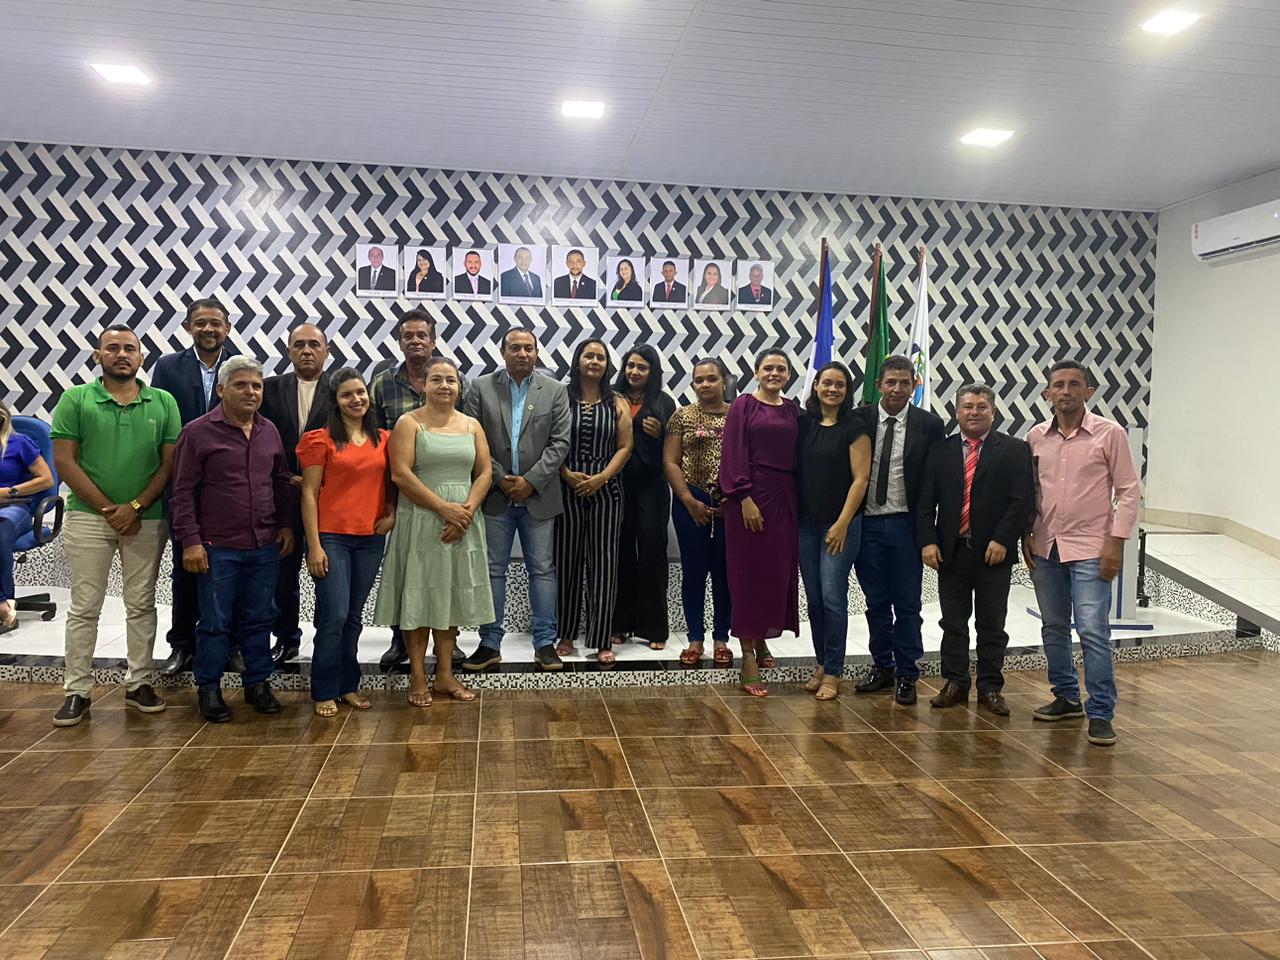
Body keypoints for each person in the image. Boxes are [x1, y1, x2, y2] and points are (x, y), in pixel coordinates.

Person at [48, 325, 180, 726]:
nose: (121, 354)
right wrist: (110, 509)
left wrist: (136, 507)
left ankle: (139, 683)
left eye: (129, 348)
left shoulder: (163, 401)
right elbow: (64, 461)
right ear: (97, 355)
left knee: (141, 604)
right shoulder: (76, 399)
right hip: (89, 518)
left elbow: (170, 463)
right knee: (85, 606)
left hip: (147, 519)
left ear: (141, 357)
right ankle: (77, 690)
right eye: (112, 348)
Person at [170, 356, 296, 723]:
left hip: (264, 544)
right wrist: (190, 541)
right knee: (215, 622)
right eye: (241, 385)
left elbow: (280, 480)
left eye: (257, 386)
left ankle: (258, 684)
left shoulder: (269, 431)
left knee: (260, 618)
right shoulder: (197, 432)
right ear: (222, 390)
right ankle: (209, 688)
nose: (251, 392)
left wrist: (286, 525)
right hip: (217, 547)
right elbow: (182, 493)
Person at [1024, 361, 1140, 746]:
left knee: (1092, 630)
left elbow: (1128, 492)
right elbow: (1029, 492)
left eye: (1074, 384)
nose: (1066, 391)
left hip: (1092, 548)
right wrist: (1026, 534)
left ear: (1088, 391)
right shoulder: (1035, 437)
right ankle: (1066, 697)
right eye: (1058, 385)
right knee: (1053, 626)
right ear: (1047, 393)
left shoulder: (1110, 434)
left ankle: (1101, 712)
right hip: (1046, 547)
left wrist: (1117, 542)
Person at [375, 357, 490, 705]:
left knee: (449, 597)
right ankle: (417, 677)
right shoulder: (408, 423)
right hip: (422, 519)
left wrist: (465, 512)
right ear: (423, 385)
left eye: (451, 380)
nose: (444, 386)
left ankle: (444, 675)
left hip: (463, 521)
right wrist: (443, 509)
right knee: (419, 595)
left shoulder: (472, 425)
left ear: (459, 386)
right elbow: (400, 474)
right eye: (436, 379)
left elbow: (485, 472)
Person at [918, 384, 1034, 716]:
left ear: (993, 413)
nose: (974, 412)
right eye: (968, 406)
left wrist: (1003, 539)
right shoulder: (939, 451)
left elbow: (1021, 500)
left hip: (994, 553)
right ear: (957, 412)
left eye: (982, 406)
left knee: (992, 624)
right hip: (951, 552)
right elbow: (925, 501)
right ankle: (955, 682)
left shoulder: (1014, 450)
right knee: (953, 623)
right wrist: (927, 541)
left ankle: (990, 687)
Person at [462, 329, 571, 672]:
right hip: (496, 494)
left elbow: (560, 442)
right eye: (515, 348)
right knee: (493, 569)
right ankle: (489, 643)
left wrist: (530, 481)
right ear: (502, 351)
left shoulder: (555, 390)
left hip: (539, 495)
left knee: (542, 569)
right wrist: (500, 477)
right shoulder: (480, 388)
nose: (522, 353)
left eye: (528, 348)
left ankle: (544, 643)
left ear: (537, 353)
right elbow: (473, 437)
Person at [369, 306, 463, 670]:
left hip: (448, 492)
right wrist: (388, 503)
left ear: (433, 340)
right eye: (408, 336)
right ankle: (401, 641)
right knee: (407, 568)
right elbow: (373, 439)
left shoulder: (452, 378)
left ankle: (446, 645)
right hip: (402, 490)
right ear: (399, 342)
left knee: (445, 572)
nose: (415, 341)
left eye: (422, 335)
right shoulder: (383, 383)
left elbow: (466, 434)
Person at [299, 369, 395, 716]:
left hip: (370, 539)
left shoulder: (384, 439)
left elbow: (391, 483)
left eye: (360, 392)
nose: (356, 399)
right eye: (347, 395)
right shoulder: (319, 440)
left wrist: (392, 513)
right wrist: (314, 546)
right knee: (334, 615)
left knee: (353, 617)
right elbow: (308, 493)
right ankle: (324, 689)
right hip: (332, 538)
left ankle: (348, 685)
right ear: (335, 401)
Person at [152, 297, 238, 677]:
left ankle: (231, 644)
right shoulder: (168, 367)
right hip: (183, 481)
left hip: (229, 485)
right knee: (185, 568)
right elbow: (159, 421)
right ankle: (183, 645)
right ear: (188, 327)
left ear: (227, 328)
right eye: (200, 323)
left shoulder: (240, 365)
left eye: (216, 323)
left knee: (232, 571)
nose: (208, 329)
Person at [853, 355, 946, 705]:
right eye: (890, 382)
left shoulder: (929, 425)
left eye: (904, 383)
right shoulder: (860, 418)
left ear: (914, 386)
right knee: (876, 602)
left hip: (907, 526)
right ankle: (882, 666)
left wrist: (929, 535)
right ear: (878, 384)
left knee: (907, 605)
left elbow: (933, 483)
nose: (896, 389)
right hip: (867, 524)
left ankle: (907, 673)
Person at [719, 348, 800, 697]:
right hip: (749, 499)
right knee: (748, 578)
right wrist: (744, 497)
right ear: (756, 372)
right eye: (768, 368)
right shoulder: (743, 405)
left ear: (789, 374)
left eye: (781, 368)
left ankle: (763, 637)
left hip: (784, 499)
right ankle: (748, 656)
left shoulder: (793, 409)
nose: (774, 373)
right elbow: (732, 452)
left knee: (775, 575)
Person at [796, 362, 871, 700]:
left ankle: (834, 672)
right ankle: (822, 663)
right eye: (827, 383)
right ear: (816, 386)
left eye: (840, 384)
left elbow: (861, 479)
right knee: (814, 599)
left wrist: (842, 523)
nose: (832, 389)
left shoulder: (855, 427)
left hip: (840, 525)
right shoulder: (804, 424)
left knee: (832, 597)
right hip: (805, 525)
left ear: (847, 391)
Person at [555, 340, 633, 664]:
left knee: (604, 564)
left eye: (601, 357)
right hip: (566, 488)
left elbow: (625, 447)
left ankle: (601, 638)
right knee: (567, 561)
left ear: (607, 364)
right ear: (578, 361)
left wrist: (602, 477)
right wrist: (565, 473)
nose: (595, 361)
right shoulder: (561, 397)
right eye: (589, 356)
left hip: (607, 490)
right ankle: (566, 633)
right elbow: (548, 441)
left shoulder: (618, 401)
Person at [259, 322, 332, 667]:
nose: (306, 350)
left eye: (314, 344)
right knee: (282, 574)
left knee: (326, 573)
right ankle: (286, 638)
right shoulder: (270, 389)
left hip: (328, 498)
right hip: (282, 497)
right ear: (288, 351)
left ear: (326, 351)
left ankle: (326, 640)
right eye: (299, 344)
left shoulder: (341, 389)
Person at [664, 359, 732, 667]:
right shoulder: (682, 416)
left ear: (724, 381)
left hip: (729, 506)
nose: (705, 384)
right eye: (699, 380)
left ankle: (721, 638)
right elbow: (671, 461)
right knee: (693, 573)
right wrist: (689, 501)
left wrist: (734, 499)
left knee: (724, 574)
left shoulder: (738, 415)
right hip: (689, 503)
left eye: (711, 378)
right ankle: (694, 638)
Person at [611, 345, 675, 649]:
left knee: (652, 552)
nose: (634, 372)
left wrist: (660, 433)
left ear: (653, 372)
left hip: (652, 486)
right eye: (630, 365)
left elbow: (676, 449)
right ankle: (619, 624)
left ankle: (654, 629)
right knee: (620, 553)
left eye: (642, 367)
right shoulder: (611, 398)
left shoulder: (664, 402)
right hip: (617, 484)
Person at [0, 400, 55, 635]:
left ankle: (5, 603)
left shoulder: (19, 442)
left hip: (14, 506)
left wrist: (9, 492)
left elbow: (46, 479)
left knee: (0, 532)